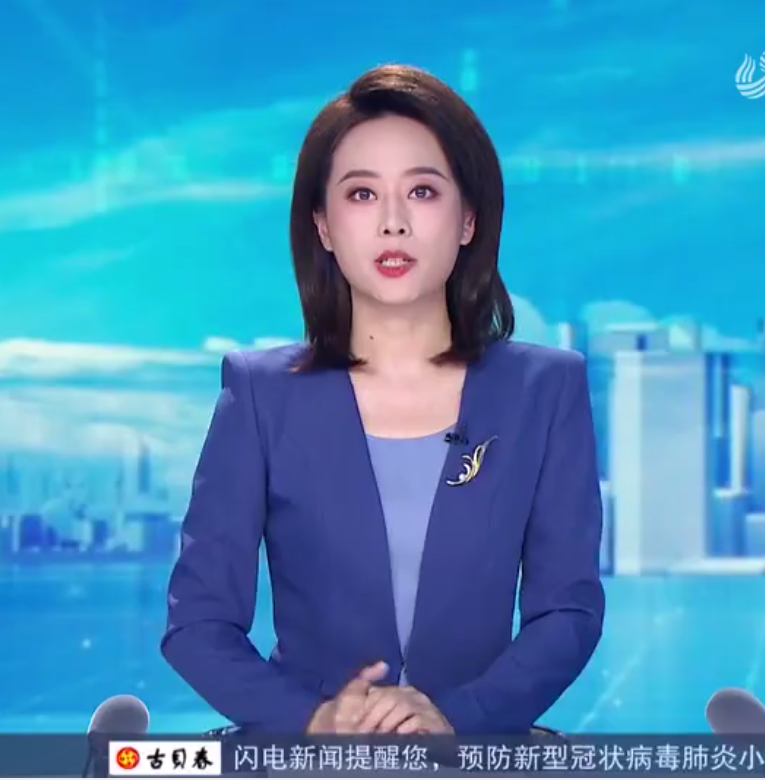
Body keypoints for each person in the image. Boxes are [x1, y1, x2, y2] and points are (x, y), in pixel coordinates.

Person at [161, 64, 604, 736]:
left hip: (477, 751)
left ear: (468, 219)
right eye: (362, 194)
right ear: (323, 225)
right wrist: (312, 720)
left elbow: (567, 611)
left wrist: (459, 716)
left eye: (422, 191)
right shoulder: (259, 394)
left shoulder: (544, 390)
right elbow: (197, 624)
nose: (393, 223)